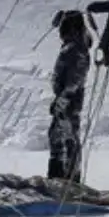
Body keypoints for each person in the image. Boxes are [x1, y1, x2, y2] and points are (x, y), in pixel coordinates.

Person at [46, 10, 91, 182]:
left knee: (68, 138)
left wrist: (63, 100)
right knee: (56, 135)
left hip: (69, 103)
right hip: (64, 100)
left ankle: (70, 179)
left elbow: (75, 79)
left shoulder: (76, 49)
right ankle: (57, 175)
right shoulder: (71, 47)